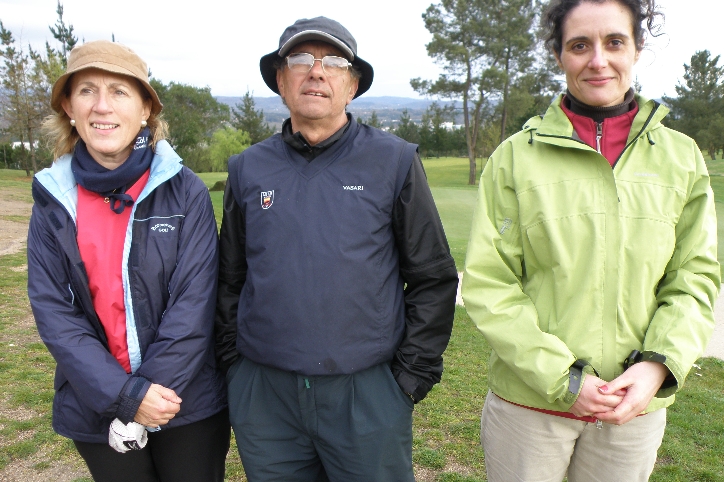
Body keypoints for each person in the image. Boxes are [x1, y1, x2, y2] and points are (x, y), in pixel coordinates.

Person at [461, 0, 720, 480]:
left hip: (631, 411)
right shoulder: (515, 158)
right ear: (560, 55)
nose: (598, 60)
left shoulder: (681, 158)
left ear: (637, 49)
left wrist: (657, 366)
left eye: (614, 42)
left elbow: (694, 278)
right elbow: (488, 282)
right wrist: (565, 378)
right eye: (580, 45)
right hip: (529, 410)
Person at [215, 16, 458, 482]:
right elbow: (230, 278)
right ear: (281, 81)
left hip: (366, 394)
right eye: (301, 60)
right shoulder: (247, 168)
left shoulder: (394, 160)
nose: (316, 72)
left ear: (352, 84)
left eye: (334, 63)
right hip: (266, 396)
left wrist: (409, 379)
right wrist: (235, 367)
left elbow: (432, 278)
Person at [27, 40, 229, 482]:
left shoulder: (187, 191)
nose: (102, 106)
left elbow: (193, 306)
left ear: (144, 111)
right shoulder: (53, 200)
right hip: (96, 401)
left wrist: (143, 401)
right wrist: (124, 397)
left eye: (119, 91)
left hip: (185, 401)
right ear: (68, 106)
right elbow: (55, 313)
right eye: (87, 91)